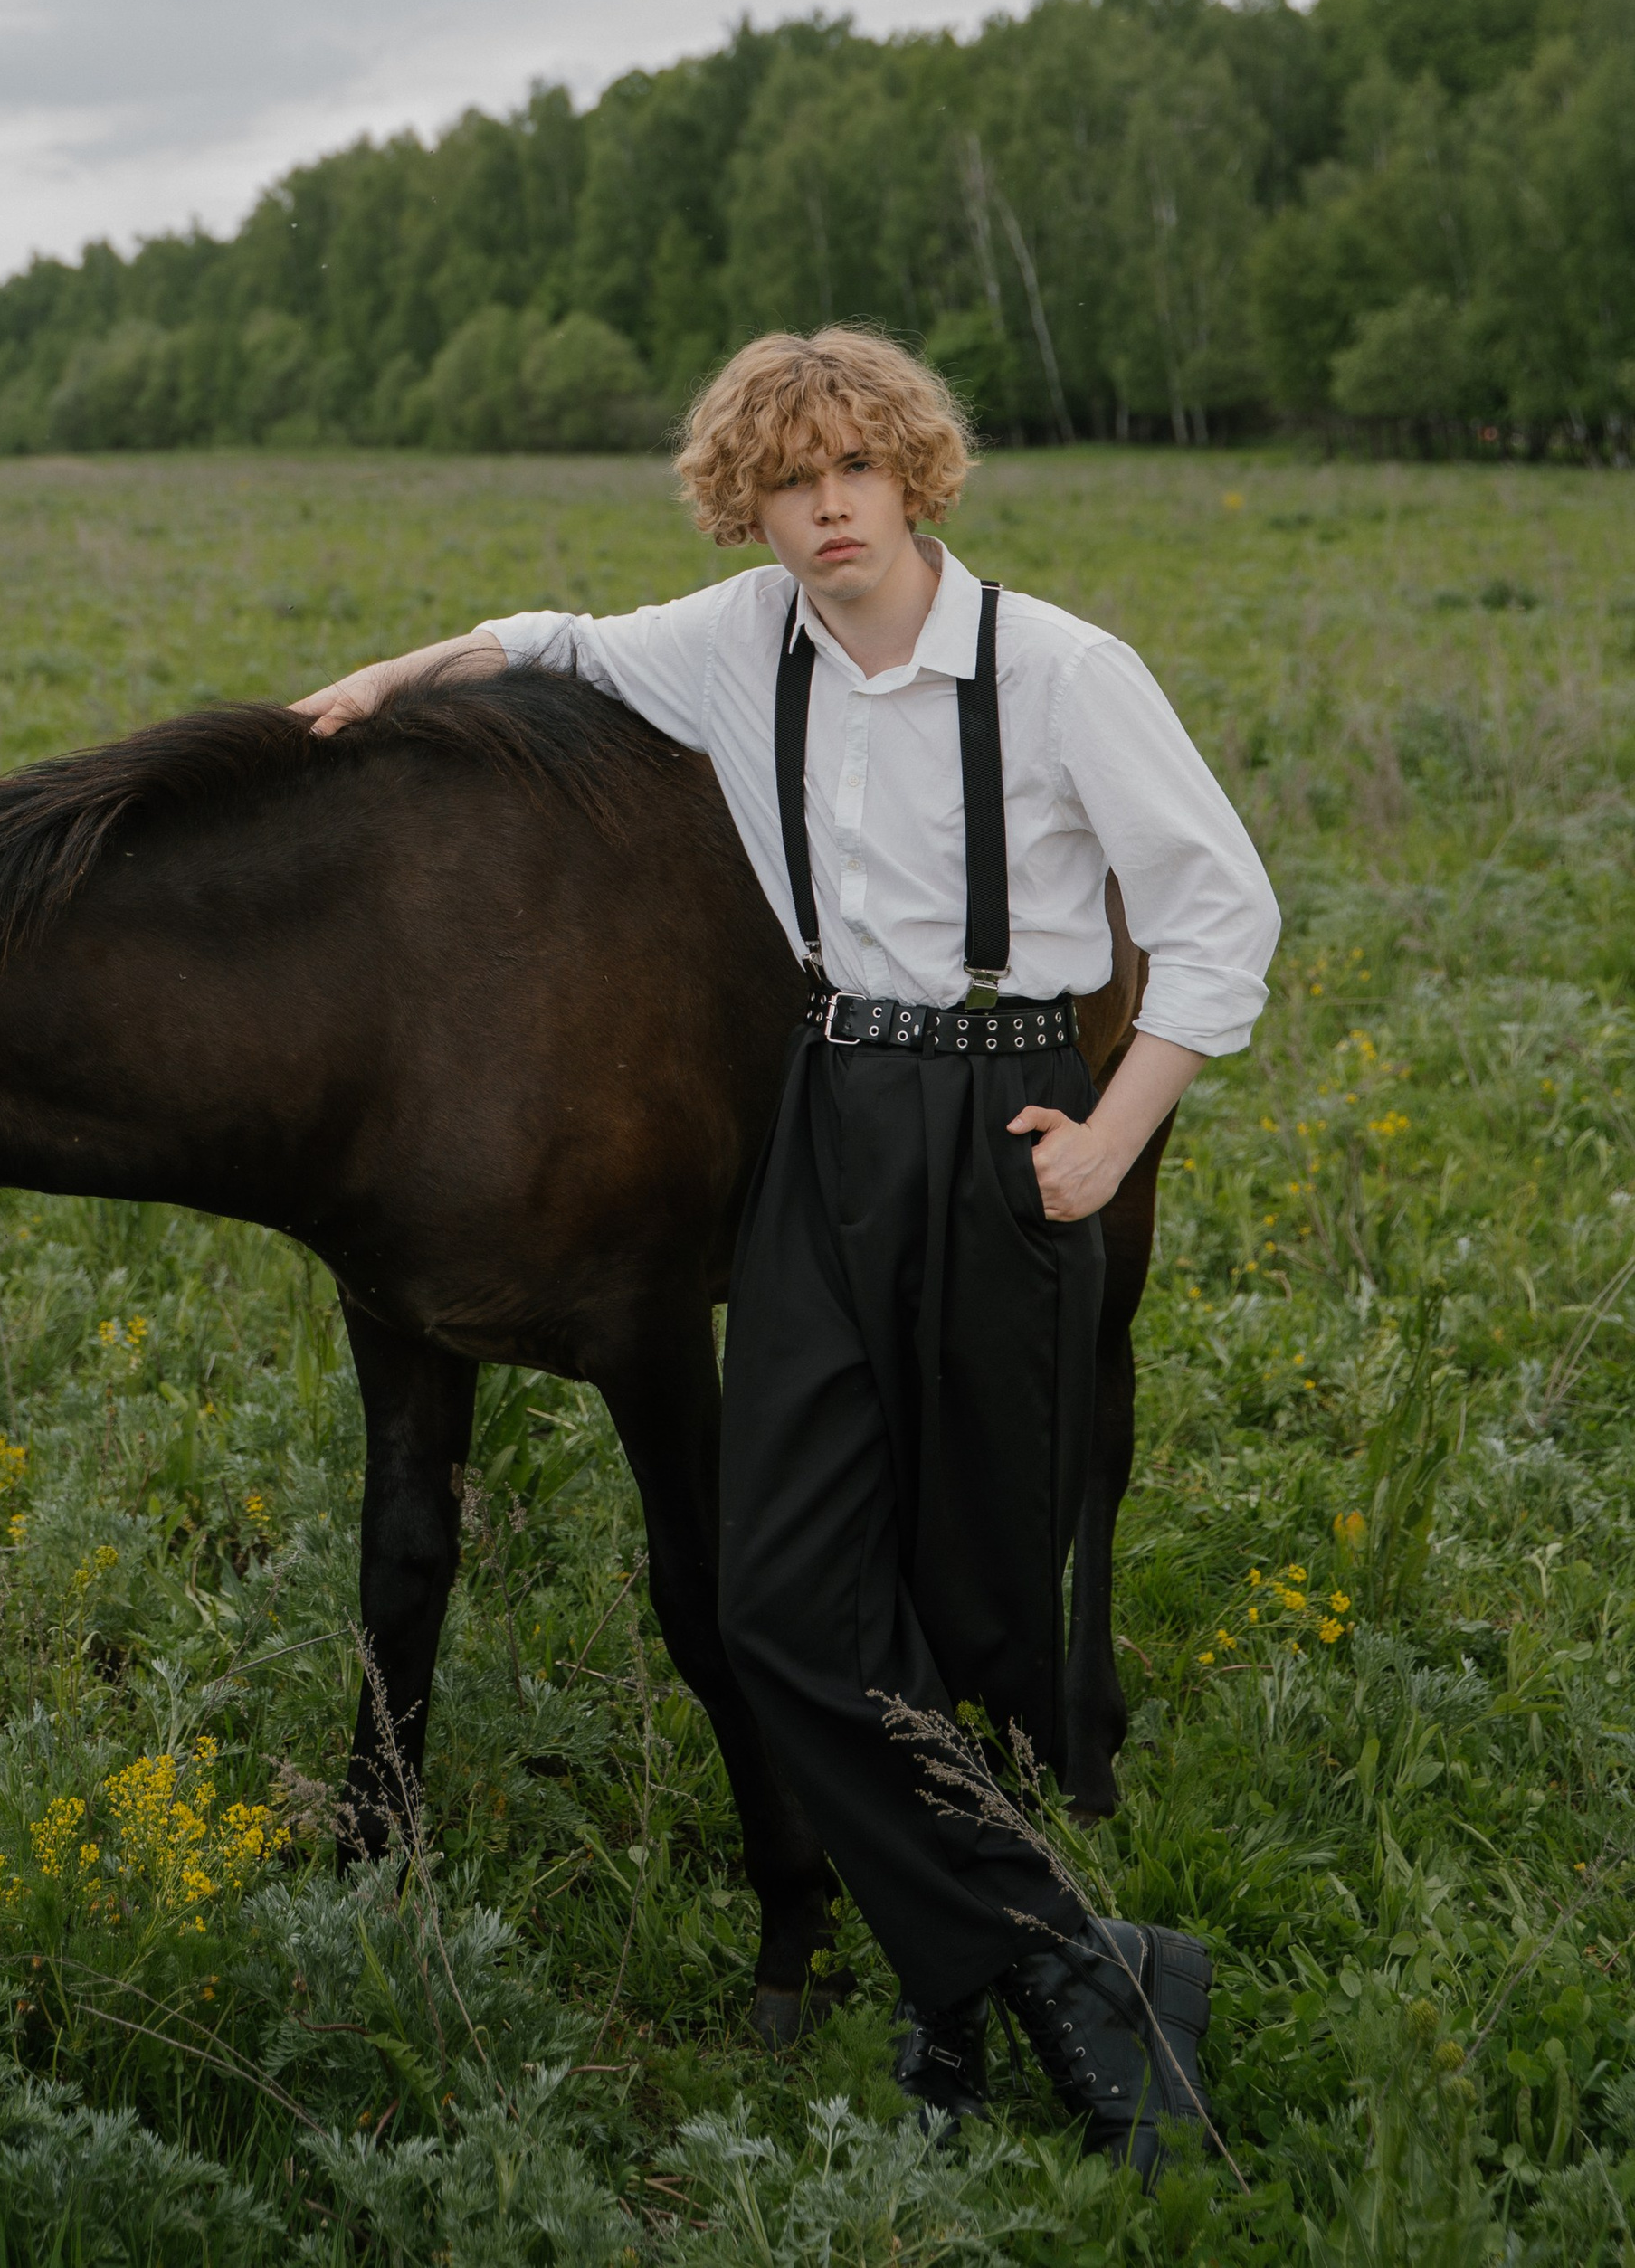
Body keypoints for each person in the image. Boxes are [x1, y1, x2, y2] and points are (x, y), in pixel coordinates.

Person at [294, 323, 1279, 2177]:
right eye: (784, 483)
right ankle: (1083, 1965)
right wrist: (373, 678)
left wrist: (1110, 1130)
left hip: (1005, 1109)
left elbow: (1221, 909)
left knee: (971, 1575)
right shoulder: (737, 644)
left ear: (913, 474)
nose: (825, 509)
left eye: (853, 472)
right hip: (824, 1109)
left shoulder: (1061, 671)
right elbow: (545, 639)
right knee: (774, 1598)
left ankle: (952, 1989)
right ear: (745, 505)